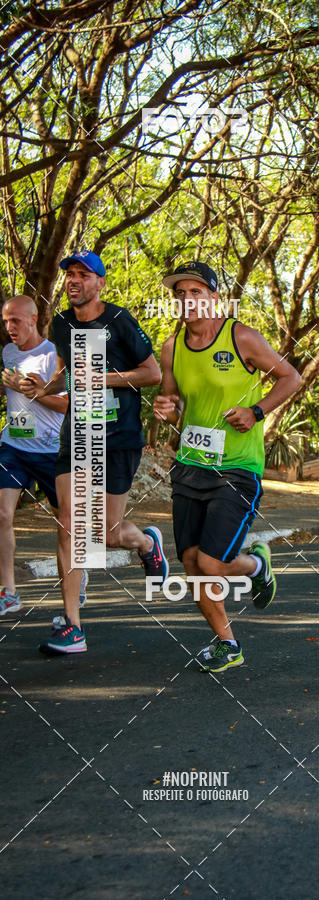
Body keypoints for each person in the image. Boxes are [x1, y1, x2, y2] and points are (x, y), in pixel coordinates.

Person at [153, 260, 301, 672]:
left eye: (196, 292)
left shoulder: (242, 338)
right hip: (189, 466)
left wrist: (256, 411)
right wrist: (168, 408)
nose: (187, 300)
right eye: (180, 294)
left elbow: (291, 377)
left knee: (212, 563)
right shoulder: (172, 347)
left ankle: (255, 564)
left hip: (237, 468)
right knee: (191, 562)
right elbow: (172, 401)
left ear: (214, 297)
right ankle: (227, 644)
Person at [21, 250, 166, 654]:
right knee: (69, 521)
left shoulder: (120, 321)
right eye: (70, 273)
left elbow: (151, 373)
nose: (74, 280)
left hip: (118, 436)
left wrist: (102, 378)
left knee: (104, 533)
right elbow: (66, 368)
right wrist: (45, 387)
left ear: (100, 283)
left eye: (84, 274)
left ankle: (146, 543)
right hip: (78, 433)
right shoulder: (63, 322)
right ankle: (73, 626)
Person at [0, 295, 87, 614]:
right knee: (2, 515)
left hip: (53, 452)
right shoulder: (7, 351)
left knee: (65, 524)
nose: (10, 326)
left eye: (16, 320)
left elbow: (70, 405)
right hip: (13, 448)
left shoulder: (54, 355)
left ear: (34, 319)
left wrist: (32, 392)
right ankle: (8, 591)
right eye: (6, 320)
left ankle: (76, 576)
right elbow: (11, 390)